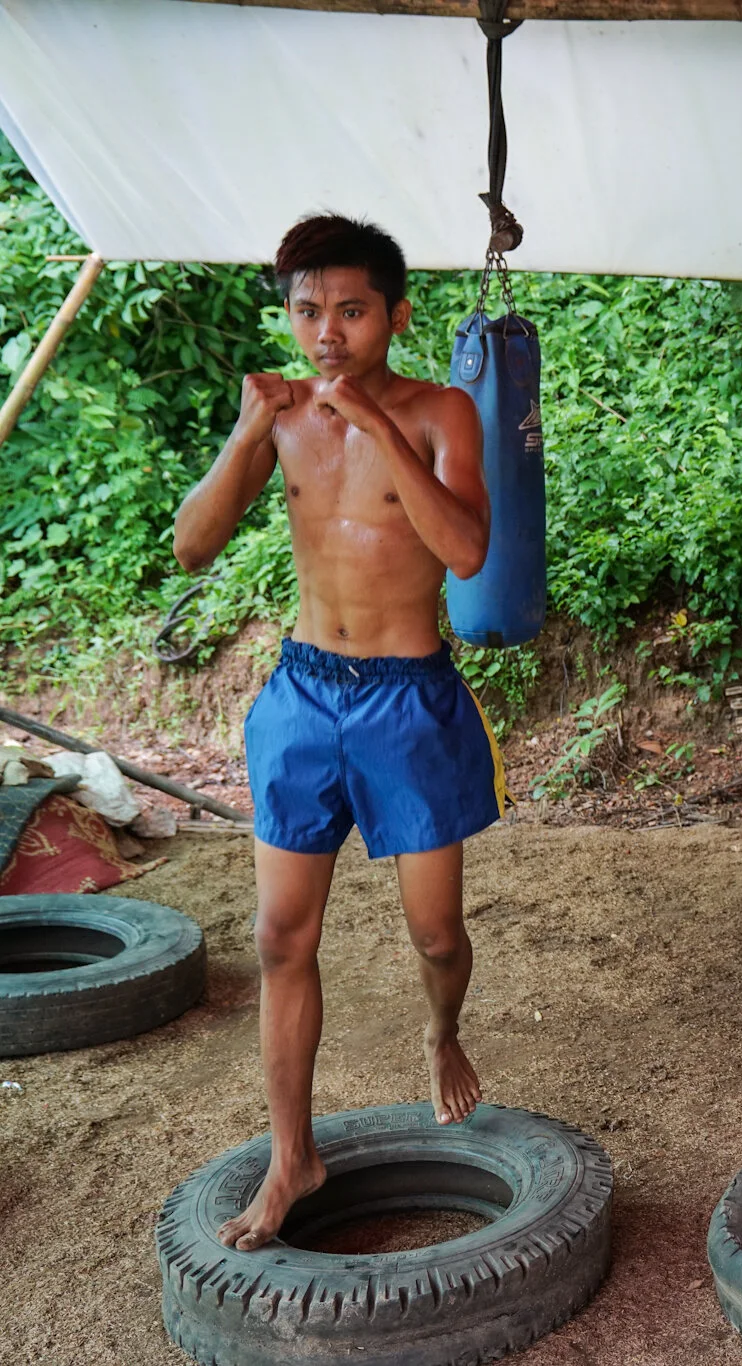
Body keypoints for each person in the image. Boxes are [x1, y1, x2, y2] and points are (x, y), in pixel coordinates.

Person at [172, 215, 501, 1248]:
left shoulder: (442, 411)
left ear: (395, 316)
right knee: (279, 937)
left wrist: (375, 423)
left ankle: (441, 1029)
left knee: (436, 934)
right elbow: (191, 546)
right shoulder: (279, 418)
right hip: (304, 696)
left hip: (410, 698)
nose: (327, 332)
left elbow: (466, 551)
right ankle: (291, 1156)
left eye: (351, 311)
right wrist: (245, 433)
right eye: (308, 310)